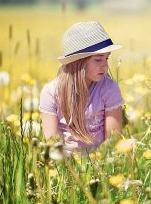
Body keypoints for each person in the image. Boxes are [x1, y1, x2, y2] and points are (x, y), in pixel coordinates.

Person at [39, 21, 124, 154]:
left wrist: (94, 166)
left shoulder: (109, 89)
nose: (105, 66)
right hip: (64, 164)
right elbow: (52, 143)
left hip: (100, 162)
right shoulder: (50, 92)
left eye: (106, 59)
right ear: (78, 62)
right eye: (98, 59)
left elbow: (113, 140)